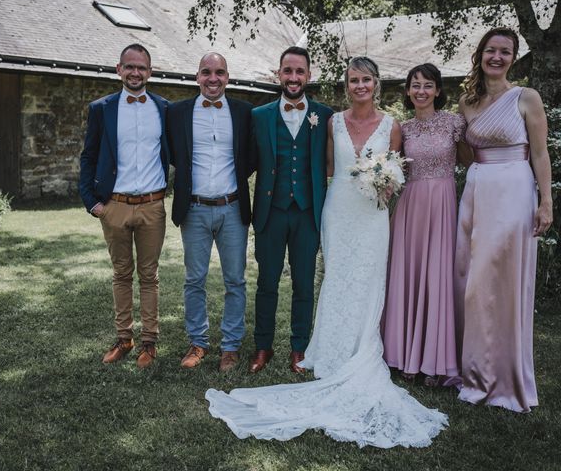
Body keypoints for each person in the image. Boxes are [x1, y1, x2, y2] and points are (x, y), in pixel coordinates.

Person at [205, 57, 448, 447]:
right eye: (353, 80)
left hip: (365, 217)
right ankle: (266, 348)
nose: (359, 86)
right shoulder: (327, 120)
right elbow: (324, 167)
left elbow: (396, 171)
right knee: (301, 281)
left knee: (331, 283)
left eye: (366, 79)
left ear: (377, 83)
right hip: (326, 212)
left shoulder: (388, 126)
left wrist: (386, 185)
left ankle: (307, 349)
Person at [455, 27, 553, 412]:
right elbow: (466, 154)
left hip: (513, 189)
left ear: (513, 57)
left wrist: (546, 202)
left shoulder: (526, 97)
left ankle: (507, 377)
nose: (497, 57)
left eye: (505, 52)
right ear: (480, 54)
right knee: (472, 281)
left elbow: (541, 155)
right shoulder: (467, 101)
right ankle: (474, 372)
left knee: (503, 280)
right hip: (477, 190)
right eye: (491, 50)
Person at [79, 44, 170, 368]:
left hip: (152, 206)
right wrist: (92, 202)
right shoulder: (102, 108)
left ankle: (149, 343)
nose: (135, 72)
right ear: (119, 69)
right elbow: (88, 156)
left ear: (150, 71)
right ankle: (123, 338)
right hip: (114, 205)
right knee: (121, 273)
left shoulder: (163, 108)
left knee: (149, 275)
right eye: (129, 67)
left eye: (141, 67)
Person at [381, 63, 469, 386]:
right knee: (408, 275)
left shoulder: (454, 124)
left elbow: (471, 161)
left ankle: (434, 360)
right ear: (407, 91)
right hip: (411, 206)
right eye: (415, 85)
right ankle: (404, 355)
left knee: (437, 276)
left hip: (443, 203)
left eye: (427, 85)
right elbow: (390, 171)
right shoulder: (402, 129)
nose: (421, 91)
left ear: (438, 90)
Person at [248, 46, 333, 374]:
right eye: (288, 71)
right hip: (271, 210)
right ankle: (263, 346)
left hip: (307, 212)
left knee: (304, 282)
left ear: (309, 76)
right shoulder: (260, 116)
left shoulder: (324, 116)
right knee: (266, 282)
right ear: (279, 73)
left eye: (300, 72)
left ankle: (299, 347)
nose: (294, 77)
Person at [167, 52, 253, 372]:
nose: (212, 78)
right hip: (195, 209)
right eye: (206, 72)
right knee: (194, 279)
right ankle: (198, 342)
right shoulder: (178, 113)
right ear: (197, 76)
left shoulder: (245, 112)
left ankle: (230, 347)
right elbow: (172, 154)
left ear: (228, 77)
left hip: (232, 208)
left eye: (219, 72)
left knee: (235, 280)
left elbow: (252, 156)